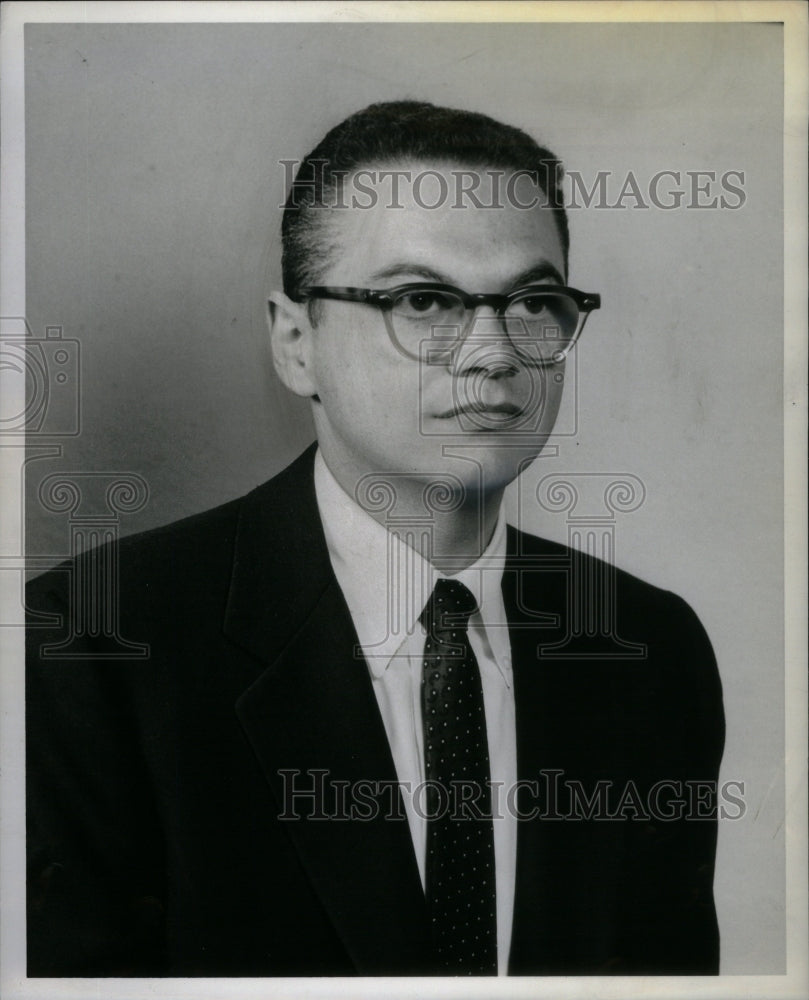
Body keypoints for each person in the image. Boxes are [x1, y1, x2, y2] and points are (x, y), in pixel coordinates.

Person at [26, 101, 725, 977]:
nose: (492, 352)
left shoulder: (649, 648)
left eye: (533, 302)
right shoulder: (87, 647)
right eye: (424, 299)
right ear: (295, 344)